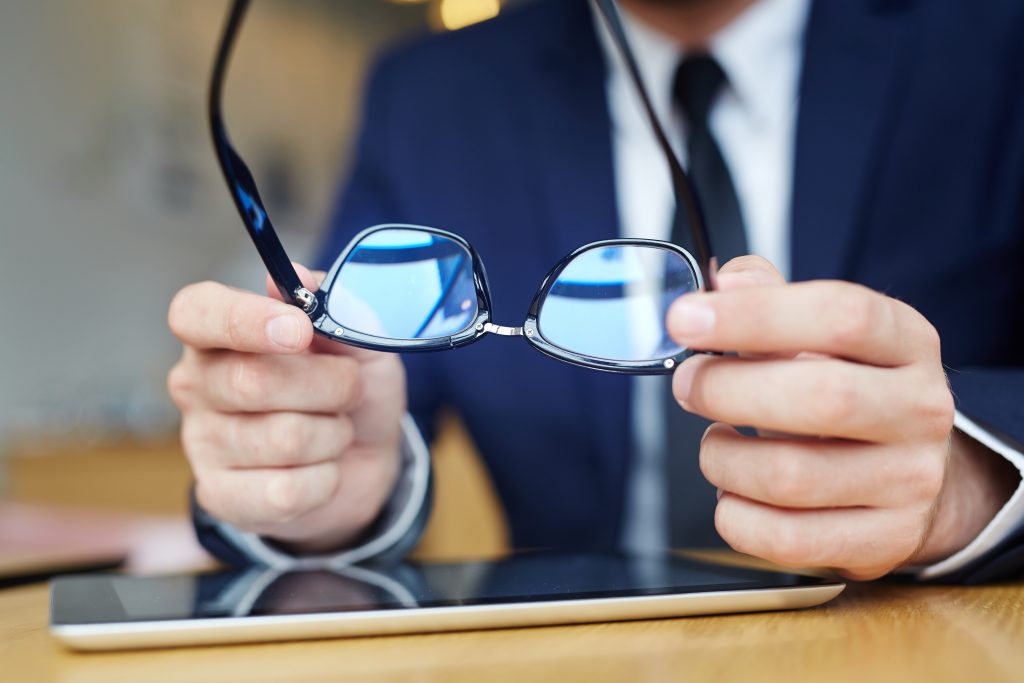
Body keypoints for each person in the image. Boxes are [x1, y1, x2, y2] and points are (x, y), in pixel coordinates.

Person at [168, 0, 1024, 582]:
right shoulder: (433, 99)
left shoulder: (995, 44)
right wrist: (317, 490)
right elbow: (355, 400)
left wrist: (976, 483)